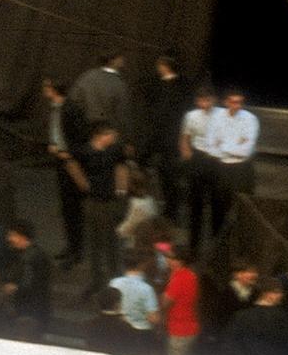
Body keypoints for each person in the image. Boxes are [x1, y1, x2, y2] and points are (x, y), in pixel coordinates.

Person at [72, 122, 129, 298]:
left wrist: (122, 188)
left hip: (111, 201)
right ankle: (96, 279)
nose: (113, 138)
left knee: (113, 240)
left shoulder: (114, 150)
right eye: (110, 135)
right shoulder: (85, 151)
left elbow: (122, 166)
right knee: (95, 242)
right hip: (93, 201)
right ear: (99, 136)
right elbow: (71, 164)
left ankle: (116, 278)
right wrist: (83, 184)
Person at [42, 78, 88, 267]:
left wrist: (67, 153)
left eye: (46, 88)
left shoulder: (72, 109)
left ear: (53, 89)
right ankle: (70, 245)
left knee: (74, 208)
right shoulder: (54, 108)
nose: (44, 91)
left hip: (72, 163)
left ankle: (76, 251)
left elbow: (81, 139)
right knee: (66, 208)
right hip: (60, 162)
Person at [143, 52, 189, 221]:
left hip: (171, 139)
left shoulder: (180, 87)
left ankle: (171, 211)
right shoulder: (157, 85)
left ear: (166, 66)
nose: (158, 68)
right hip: (160, 139)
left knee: (171, 177)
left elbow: (170, 115)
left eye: (160, 65)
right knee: (162, 175)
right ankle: (164, 209)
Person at [177, 87, 223, 258]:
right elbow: (185, 138)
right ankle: (193, 247)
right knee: (196, 204)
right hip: (198, 158)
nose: (205, 104)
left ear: (214, 100)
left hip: (216, 159)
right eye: (201, 101)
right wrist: (188, 155)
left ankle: (215, 248)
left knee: (216, 203)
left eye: (208, 100)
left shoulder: (222, 114)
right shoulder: (191, 116)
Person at [207, 89, 260, 233]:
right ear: (226, 102)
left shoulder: (250, 119)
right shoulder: (216, 118)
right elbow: (211, 147)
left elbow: (246, 151)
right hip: (221, 168)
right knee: (218, 208)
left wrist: (223, 144)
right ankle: (218, 242)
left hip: (241, 169)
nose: (237, 105)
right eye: (233, 102)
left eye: (240, 102)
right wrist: (236, 144)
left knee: (241, 208)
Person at [222, 285, 288, 355]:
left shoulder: (241, 315)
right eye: (277, 292)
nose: (281, 295)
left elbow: (231, 341)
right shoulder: (283, 318)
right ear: (266, 293)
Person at [0, 221, 53, 342]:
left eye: (12, 235)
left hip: (31, 308)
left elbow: (31, 282)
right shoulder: (21, 254)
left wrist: (14, 287)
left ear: (21, 236)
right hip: (28, 306)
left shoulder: (33, 257)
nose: (9, 239)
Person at [67, 53, 131, 144]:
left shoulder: (87, 76)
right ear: (113, 60)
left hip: (84, 129)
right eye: (120, 58)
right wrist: (125, 139)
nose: (123, 60)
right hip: (107, 133)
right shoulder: (118, 83)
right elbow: (122, 112)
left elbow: (72, 102)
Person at [109, 254, 161, 355]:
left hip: (119, 330)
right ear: (142, 266)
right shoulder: (146, 289)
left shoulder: (114, 283)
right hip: (141, 334)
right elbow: (154, 318)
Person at [161, 247, 203, 355]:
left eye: (170, 257)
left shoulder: (179, 277)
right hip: (190, 325)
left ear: (179, 260)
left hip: (180, 328)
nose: (167, 260)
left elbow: (166, 302)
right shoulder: (191, 275)